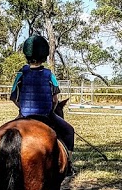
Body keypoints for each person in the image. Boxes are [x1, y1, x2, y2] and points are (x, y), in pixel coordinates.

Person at [10, 35, 75, 175]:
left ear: (27, 56)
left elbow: (13, 97)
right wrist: (50, 108)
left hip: (24, 115)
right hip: (46, 114)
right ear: (44, 56)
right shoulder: (49, 74)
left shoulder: (20, 74)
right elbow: (55, 99)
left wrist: (22, 108)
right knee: (69, 131)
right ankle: (69, 165)